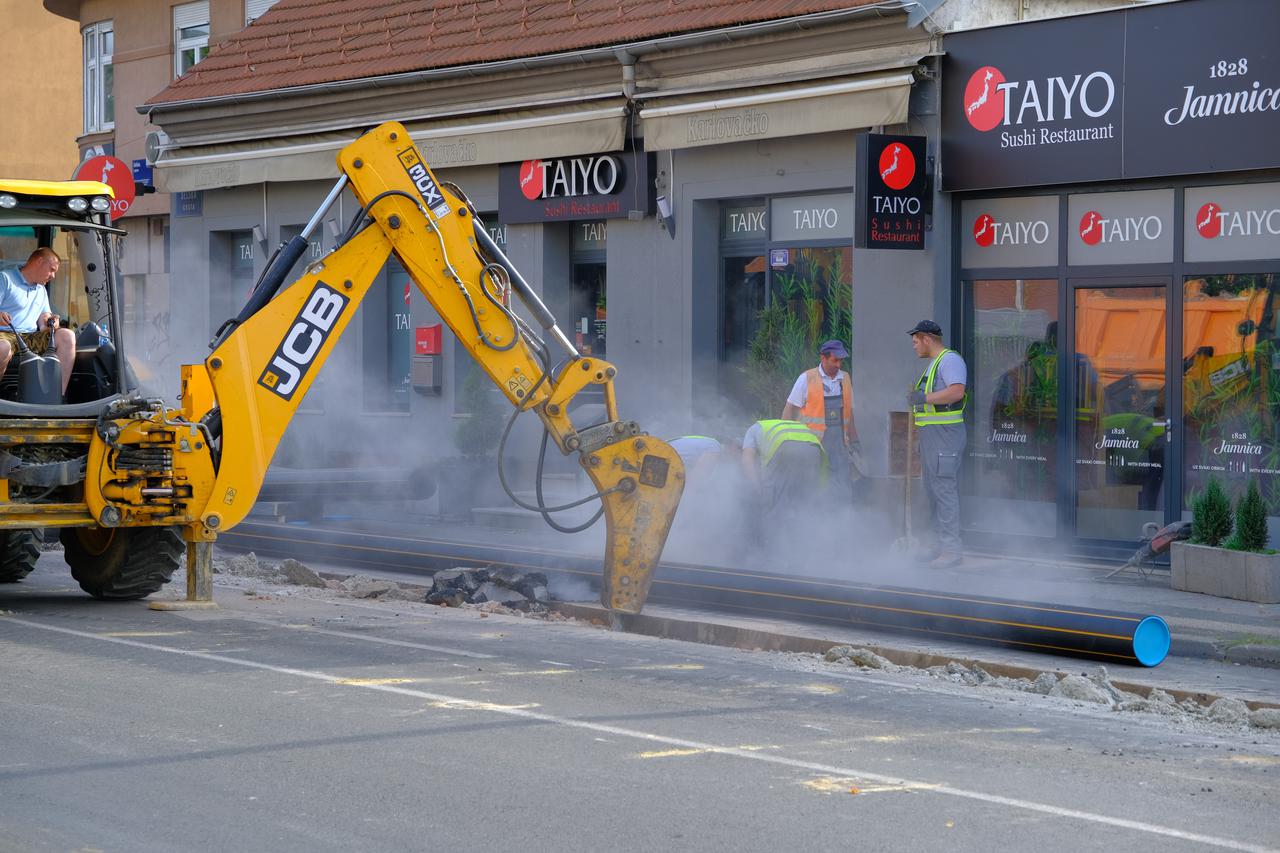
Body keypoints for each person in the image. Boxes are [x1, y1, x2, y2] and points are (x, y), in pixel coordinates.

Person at [906, 320, 967, 568]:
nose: (914, 347)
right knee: (933, 492)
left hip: (945, 436)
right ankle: (937, 546)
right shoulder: (934, 365)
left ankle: (951, 551)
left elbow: (957, 392)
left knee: (944, 492)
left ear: (926, 338)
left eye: (915, 341)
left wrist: (924, 397)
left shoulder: (949, 360)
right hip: (933, 437)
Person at [782, 340, 861, 494]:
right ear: (823, 358)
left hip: (839, 447)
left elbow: (849, 415)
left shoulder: (845, 379)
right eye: (835, 360)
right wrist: (787, 442)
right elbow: (789, 409)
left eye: (841, 360)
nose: (839, 365)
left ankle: (843, 515)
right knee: (813, 486)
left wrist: (855, 441)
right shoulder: (806, 378)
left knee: (842, 487)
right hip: (812, 446)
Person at [0, 248, 76, 394]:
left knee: (67, 336)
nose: (53, 276)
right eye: (52, 270)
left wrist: (51, 322)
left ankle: (56, 397)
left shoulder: (41, 290)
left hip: (30, 337)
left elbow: (43, 322)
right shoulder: (5, 279)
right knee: (3, 347)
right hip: (5, 334)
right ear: (39, 261)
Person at [740, 419, 827, 538]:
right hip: (813, 447)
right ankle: (808, 543)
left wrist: (756, 488)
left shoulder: (752, 430)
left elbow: (747, 461)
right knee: (805, 504)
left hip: (783, 446)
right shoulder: (784, 426)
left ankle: (771, 546)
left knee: (772, 503)